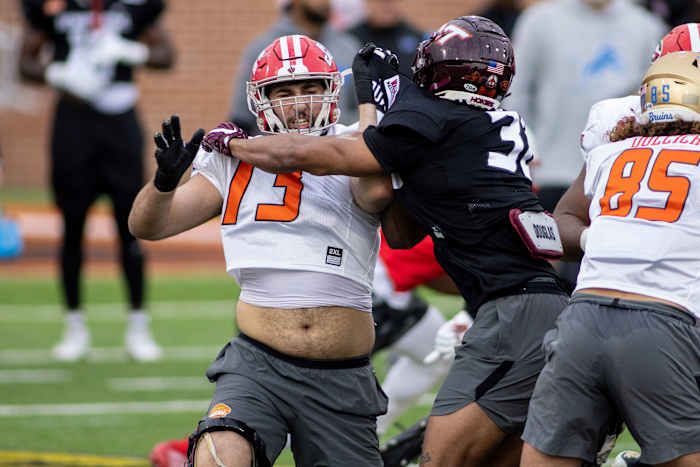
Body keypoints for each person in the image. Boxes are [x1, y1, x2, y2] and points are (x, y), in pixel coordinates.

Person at [209, 16, 570, 467]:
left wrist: (235, 144)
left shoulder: (434, 115)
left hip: (511, 312)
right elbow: (400, 233)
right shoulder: (488, 123)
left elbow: (319, 155)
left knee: (438, 458)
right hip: (521, 302)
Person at [130, 35, 389, 467]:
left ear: (331, 90)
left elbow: (376, 193)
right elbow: (148, 226)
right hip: (258, 365)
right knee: (219, 456)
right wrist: (163, 183)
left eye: (309, 88)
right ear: (259, 99)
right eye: (284, 92)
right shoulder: (229, 160)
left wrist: (369, 110)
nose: (299, 103)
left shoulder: (356, 145)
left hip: (341, 375)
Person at [520, 51, 700, 467]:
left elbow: (559, 219)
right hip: (664, 322)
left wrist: (603, 241)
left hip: (581, 319)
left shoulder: (610, 152)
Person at [149, 233, 468, 467]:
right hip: (361, 296)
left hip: (386, 290)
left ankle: (381, 429)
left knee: (438, 352)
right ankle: (192, 447)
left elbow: (429, 271)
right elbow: (456, 275)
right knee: (318, 400)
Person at [17, 0, 174, 362]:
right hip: (73, 121)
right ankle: (74, 327)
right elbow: (25, 62)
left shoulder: (131, 7)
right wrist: (57, 74)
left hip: (120, 123)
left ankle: (138, 325)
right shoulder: (52, 7)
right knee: (72, 227)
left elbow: (165, 55)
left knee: (131, 226)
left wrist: (131, 51)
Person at [505, 0, 666, 290]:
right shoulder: (540, 21)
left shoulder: (646, 26)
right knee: (540, 280)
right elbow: (515, 92)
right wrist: (525, 150)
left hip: (618, 179)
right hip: (550, 171)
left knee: (609, 283)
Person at [229, 0, 360, 134]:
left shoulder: (348, 47)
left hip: (335, 148)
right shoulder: (261, 48)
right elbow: (242, 118)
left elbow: (360, 110)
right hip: (274, 150)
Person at [346, 0, 425, 76]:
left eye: (392, 1)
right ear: (368, 2)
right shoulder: (350, 39)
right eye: (381, 1)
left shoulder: (416, 37)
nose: (387, 6)